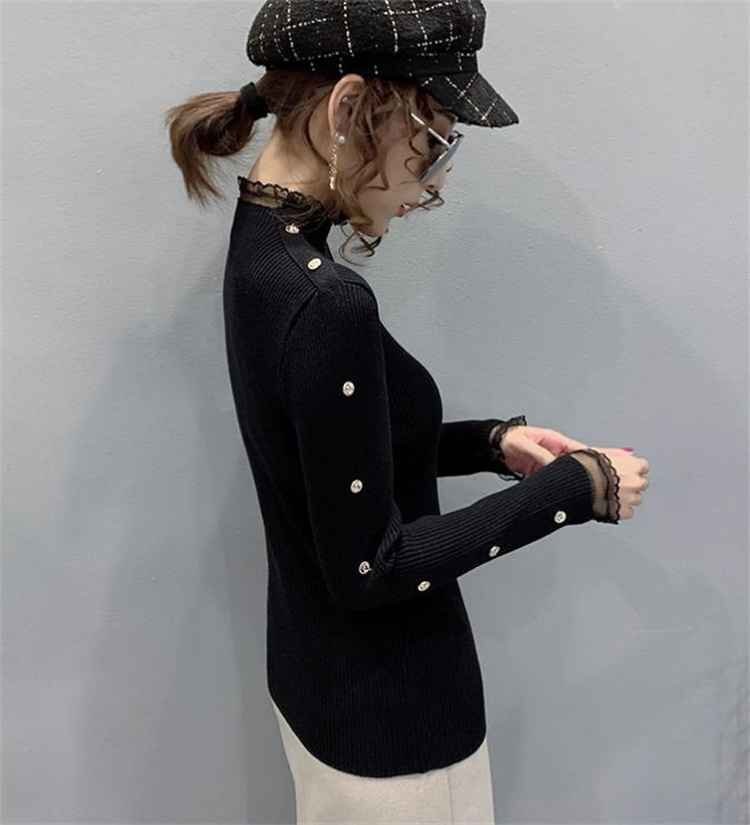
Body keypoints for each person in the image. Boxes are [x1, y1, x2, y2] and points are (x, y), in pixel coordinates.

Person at [165, 1, 650, 822]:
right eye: (434, 143)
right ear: (348, 107)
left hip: (321, 686)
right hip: (398, 731)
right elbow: (374, 569)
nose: (436, 182)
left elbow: (331, 456)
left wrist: (492, 443)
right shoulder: (326, 302)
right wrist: (578, 487)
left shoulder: (265, 242)